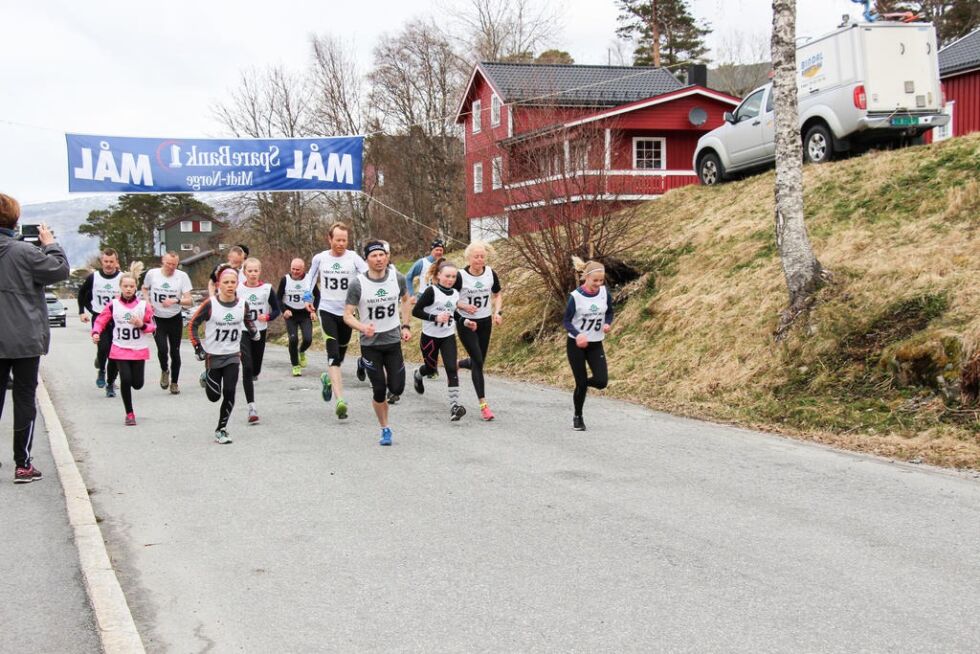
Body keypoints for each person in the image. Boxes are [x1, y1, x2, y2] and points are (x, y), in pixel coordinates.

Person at [0, 193, 70, 482]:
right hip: (25, 337)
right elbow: (59, 270)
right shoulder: (25, 253)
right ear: (16, 220)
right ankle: (22, 463)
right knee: (25, 397)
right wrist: (50, 244)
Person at [343, 240, 412, 446]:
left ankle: (364, 365)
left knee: (397, 388)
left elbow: (407, 299)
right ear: (367, 259)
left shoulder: (397, 278)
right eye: (374, 256)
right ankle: (385, 428)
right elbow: (347, 315)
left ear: (387, 257)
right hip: (370, 344)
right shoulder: (358, 284)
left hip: (392, 340)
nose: (379, 259)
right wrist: (362, 327)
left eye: (382, 255)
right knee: (379, 390)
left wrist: (406, 326)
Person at [188, 265, 259, 444]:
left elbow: (247, 318)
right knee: (214, 396)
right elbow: (193, 324)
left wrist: (253, 330)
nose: (229, 285)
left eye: (233, 282)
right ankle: (206, 376)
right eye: (226, 282)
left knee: (229, 391)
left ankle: (221, 429)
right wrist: (198, 347)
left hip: (233, 355)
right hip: (213, 356)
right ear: (219, 284)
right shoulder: (210, 304)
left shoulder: (242, 304)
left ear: (237, 284)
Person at [306, 222, 367, 420]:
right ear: (329, 239)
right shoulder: (320, 258)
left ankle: (328, 379)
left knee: (340, 355)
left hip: (347, 314)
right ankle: (340, 400)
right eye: (337, 240)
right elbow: (310, 279)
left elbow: (367, 276)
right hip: (327, 311)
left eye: (344, 240)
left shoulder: (354, 258)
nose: (341, 243)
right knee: (333, 356)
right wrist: (309, 300)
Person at [93, 262, 155, 425]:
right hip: (120, 348)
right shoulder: (113, 305)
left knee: (137, 384)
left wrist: (141, 324)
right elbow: (101, 320)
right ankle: (129, 413)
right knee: (126, 380)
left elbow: (152, 326)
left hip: (138, 349)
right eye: (125, 286)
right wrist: (96, 332)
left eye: (131, 286)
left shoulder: (143, 306)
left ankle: (122, 380)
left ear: (136, 288)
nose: (128, 289)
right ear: (120, 287)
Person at [453, 241, 503, 421]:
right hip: (466, 323)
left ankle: (459, 364)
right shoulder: (460, 276)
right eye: (476, 256)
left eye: (482, 256)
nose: (479, 259)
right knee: (478, 361)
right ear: (468, 258)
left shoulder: (490, 273)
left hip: (484, 322)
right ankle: (484, 405)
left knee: (479, 359)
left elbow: (497, 295)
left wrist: (497, 312)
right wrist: (463, 305)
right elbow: (449, 298)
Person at [411, 259, 466, 421]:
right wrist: (435, 317)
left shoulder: (455, 293)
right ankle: (418, 374)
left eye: (453, 277)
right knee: (431, 368)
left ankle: (454, 406)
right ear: (439, 275)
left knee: (451, 368)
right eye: (447, 276)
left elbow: (453, 312)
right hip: (430, 337)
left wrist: (465, 321)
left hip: (448, 336)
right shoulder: (431, 292)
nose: (450, 280)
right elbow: (416, 311)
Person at [564, 260, 613, 431]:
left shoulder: (604, 293)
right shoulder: (575, 297)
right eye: (595, 281)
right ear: (586, 278)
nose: (598, 284)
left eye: (601, 281)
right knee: (582, 383)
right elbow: (566, 321)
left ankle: (581, 384)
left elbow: (609, 312)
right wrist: (578, 335)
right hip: (576, 345)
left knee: (601, 381)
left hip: (595, 343)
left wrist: (607, 323)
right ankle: (578, 416)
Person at [142, 251, 193, 394]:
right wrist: (147, 301)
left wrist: (176, 300)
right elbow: (144, 288)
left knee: (175, 352)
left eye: (174, 265)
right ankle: (165, 370)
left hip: (174, 318)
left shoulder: (182, 277)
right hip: (158, 318)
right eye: (168, 263)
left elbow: (190, 300)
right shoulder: (152, 274)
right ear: (162, 261)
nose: (171, 267)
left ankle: (175, 383)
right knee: (162, 349)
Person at [239, 257, 280, 424]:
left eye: (256, 271)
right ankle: (252, 406)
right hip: (243, 331)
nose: (253, 274)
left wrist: (268, 316)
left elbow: (277, 309)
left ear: (260, 271)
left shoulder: (267, 289)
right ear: (244, 272)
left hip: (260, 332)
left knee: (255, 369)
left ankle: (254, 374)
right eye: (250, 271)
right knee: (247, 367)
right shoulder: (238, 289)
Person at [78, 248, 122, 394]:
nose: (108, 264)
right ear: (101, 262)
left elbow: (131, 295)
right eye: (106, 261)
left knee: (115, 353)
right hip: (99, 318)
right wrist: (82, 312)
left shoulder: (122, 277)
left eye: (111, 262)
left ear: (116, 262)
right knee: (103, 348)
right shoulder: (94, 277)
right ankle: (102, 370)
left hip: (118, 320)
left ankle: (111, 384)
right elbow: (82, 294)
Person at [278, 258, 317, 377]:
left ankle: (302, 351)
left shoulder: (309, 280)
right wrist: (284, 310)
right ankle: (295, 365)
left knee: (308, 339)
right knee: (293, 339)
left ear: (303, 269)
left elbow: (318, 295)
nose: (295, 272)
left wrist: (314, 310)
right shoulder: (285, 279)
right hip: (291, 314)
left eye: (298, 270)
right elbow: (278, 297)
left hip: (305, 313)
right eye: (293, 269)